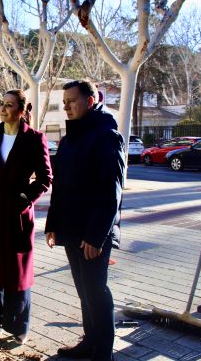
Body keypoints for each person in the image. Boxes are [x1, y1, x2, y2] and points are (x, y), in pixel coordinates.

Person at [45, 80, 124, 361]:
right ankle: (90, 342)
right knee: (83, 290)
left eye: (71, 100)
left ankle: (104, 353)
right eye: (63, 101)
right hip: (70, 228)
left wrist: (96, 236)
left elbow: (110, 192)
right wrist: (52, 224)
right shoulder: (69, 139)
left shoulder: (106, 135)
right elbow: (61, 186)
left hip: (92, 233)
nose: (66, 105)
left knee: (96, 291)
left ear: (90, 101)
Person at [0, 89, 52, 345]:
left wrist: (25, 198)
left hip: (17, 213)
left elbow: (45, 178)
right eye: (2, 104)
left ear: (21, 110)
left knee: (18, 272)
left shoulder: (35, 139)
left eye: (9, 105)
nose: (3, 109)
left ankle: (19, 325)